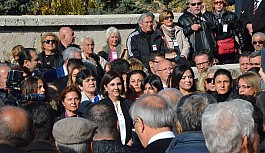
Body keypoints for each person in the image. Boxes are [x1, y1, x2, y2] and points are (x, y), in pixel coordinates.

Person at [99, 70, 133, 145]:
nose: (116, 87)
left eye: (119, 84)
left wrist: (131, 141)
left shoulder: (129, 104)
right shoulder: (100, 106)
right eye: (112, 85)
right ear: (105, 87)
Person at [212, 0, 243, 64]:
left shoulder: (231, 16)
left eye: (221, 2)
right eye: (216, 3)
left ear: (224, 3)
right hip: (215, 47)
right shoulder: (210, 17)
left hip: (228, 47)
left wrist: (241, 46)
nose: (218, 4)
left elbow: (239, 31)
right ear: (213, 4)